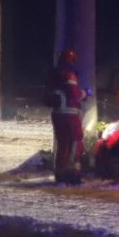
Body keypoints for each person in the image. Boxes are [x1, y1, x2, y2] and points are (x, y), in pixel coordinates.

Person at [43, 48, 87, 184]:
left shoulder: (55, 73)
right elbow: (74, 93)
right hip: (69, 114)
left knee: (62, 144)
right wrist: (85, 93)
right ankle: (72, 173)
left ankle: (60, 173)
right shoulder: (68, 74)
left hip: (58, 114)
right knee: (75, 141)